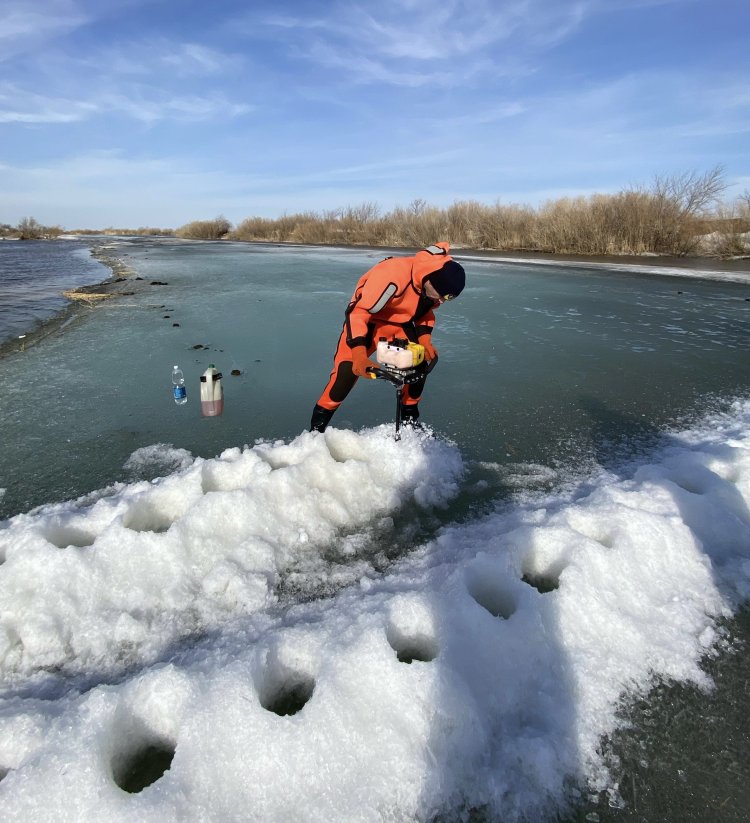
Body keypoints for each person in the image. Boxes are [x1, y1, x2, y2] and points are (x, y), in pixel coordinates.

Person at [310, 241, 466, 432]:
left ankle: (409, 421)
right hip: (367, 323)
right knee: (345, 373)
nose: (442, 301)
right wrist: (359, 355)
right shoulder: (391, 276)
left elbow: (425, 312)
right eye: (443, 296)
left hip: (400, 324)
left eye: (449, 298)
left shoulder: (432, 288)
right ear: (430, 280)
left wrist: (425, 340)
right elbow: (358, 314)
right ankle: (316, 431)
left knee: (420, 364)